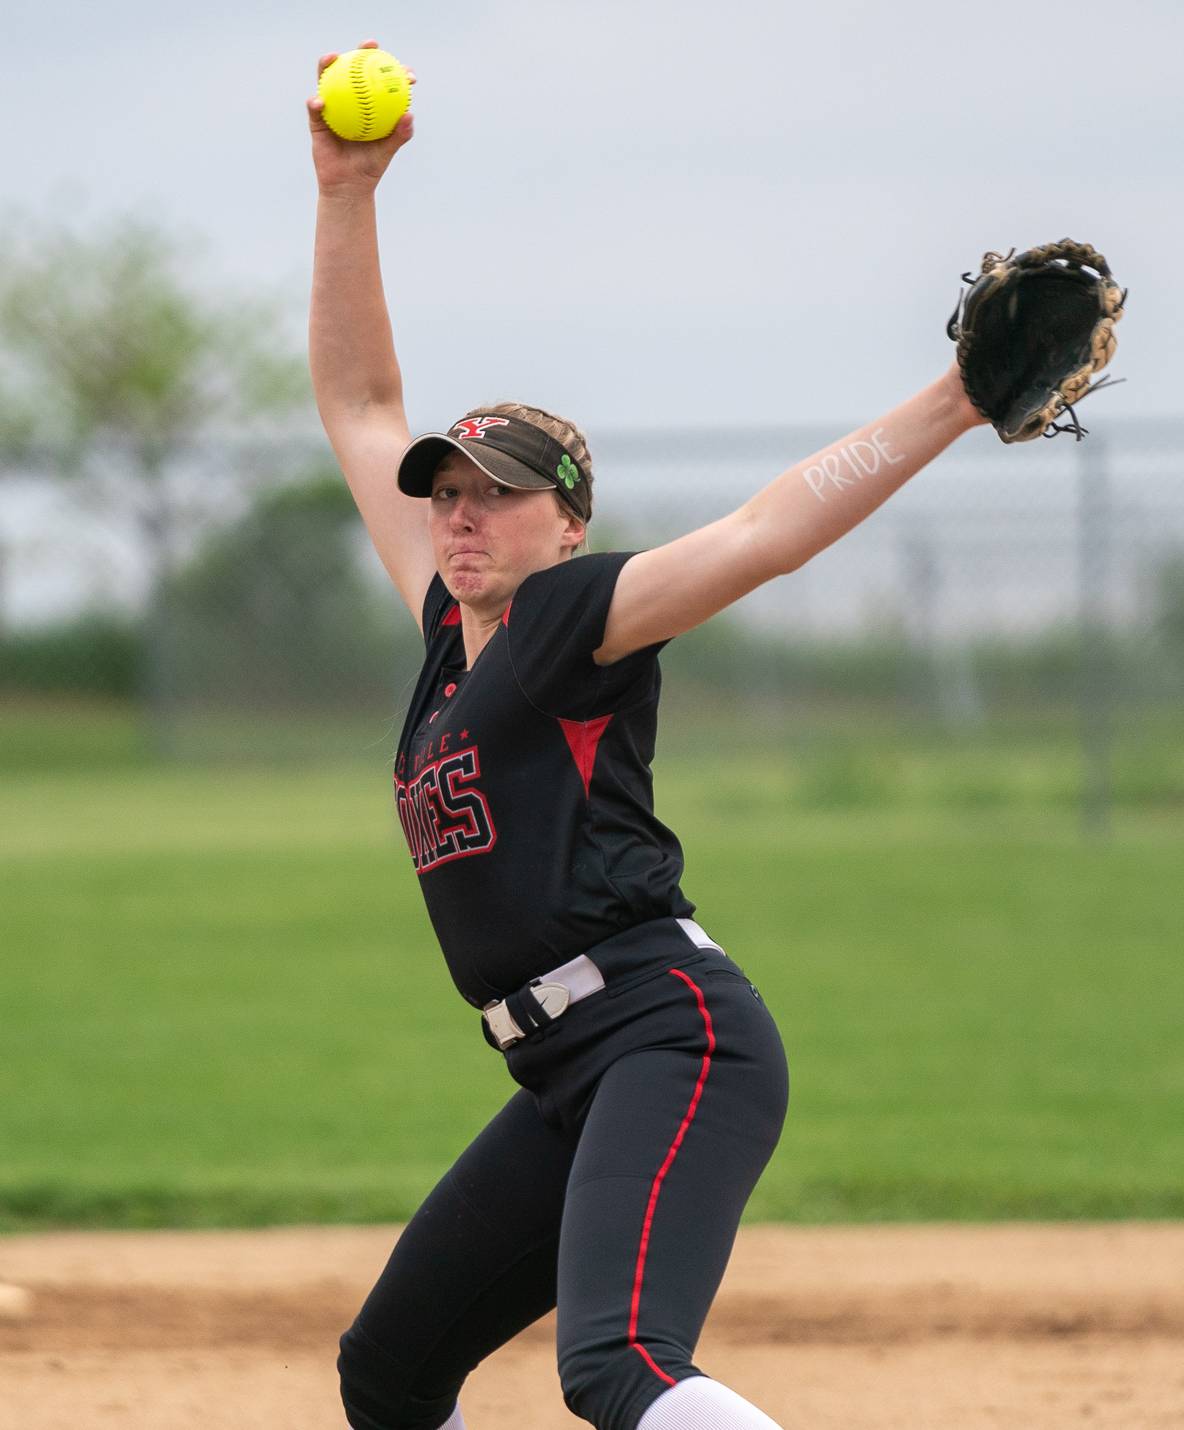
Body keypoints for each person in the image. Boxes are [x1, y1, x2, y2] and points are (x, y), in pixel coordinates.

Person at [306, 39, 988, 1430]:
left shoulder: (572, 617)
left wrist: (959, 398)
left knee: (617, 1364)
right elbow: (363, 406)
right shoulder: (450, 630)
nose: (458, 510)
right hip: (558, 1067)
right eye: (449, 489)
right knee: (388, 1371)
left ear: (566, 521)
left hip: (665, 1034)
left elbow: (764, 532)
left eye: (494, 493)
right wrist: (346, 191)